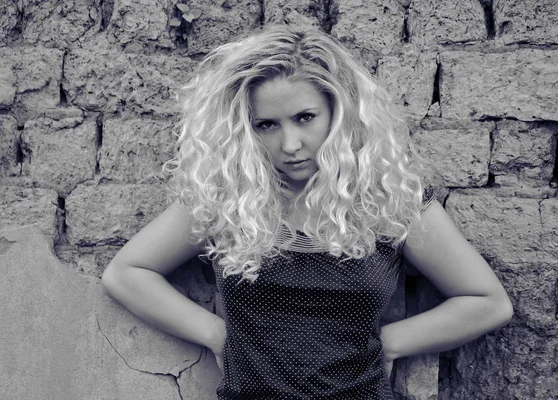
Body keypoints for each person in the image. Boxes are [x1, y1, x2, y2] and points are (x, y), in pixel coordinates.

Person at [101, 26, 513, 399]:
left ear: (339, 112)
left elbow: (487, 302)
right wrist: (218, 336)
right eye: (267, 125)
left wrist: (390, 342)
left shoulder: (389, 201)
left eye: (305, 117)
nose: (291, 143)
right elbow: (126, 273)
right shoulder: (227, 199)